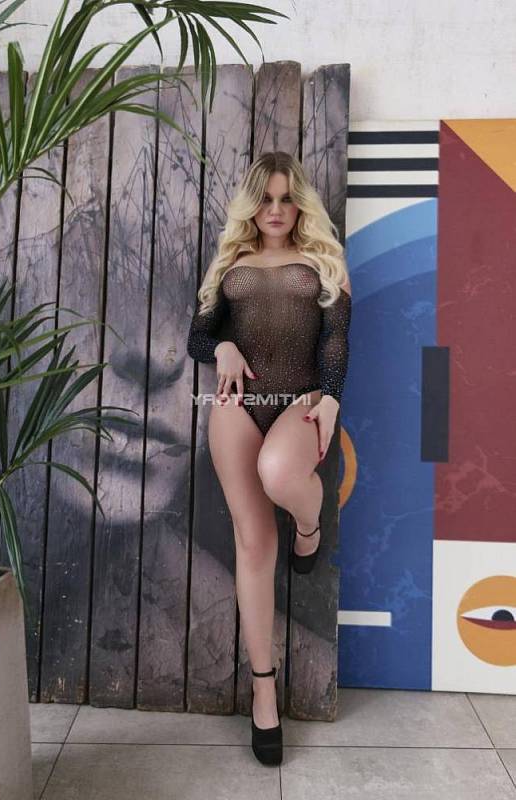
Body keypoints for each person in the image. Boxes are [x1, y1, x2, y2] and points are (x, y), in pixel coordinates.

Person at [186, 151, 352, 766]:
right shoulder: (231, 263)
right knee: (253, 545)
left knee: (281, 473)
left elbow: (336, 338)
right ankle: (264, 689)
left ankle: (309, 525)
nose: (276, 210)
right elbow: (197, 336)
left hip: (302, 399)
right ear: (251, 204)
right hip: (238, 405)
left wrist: (330, 398)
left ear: (299, 202)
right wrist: (222, 346)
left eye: (286, 198)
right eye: (265, 198)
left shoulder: (324, 261)